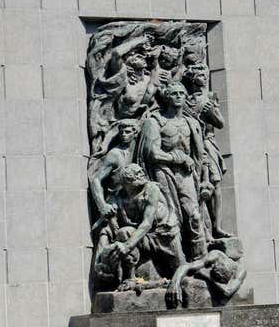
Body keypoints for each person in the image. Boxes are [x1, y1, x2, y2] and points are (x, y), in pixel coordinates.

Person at [137, 81, 210, 260]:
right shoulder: (154, 121)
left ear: (185, 97)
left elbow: (201, 154)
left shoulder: (192, 123)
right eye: (174, 93)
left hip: (187, 175)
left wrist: (205, 178)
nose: (178, 96)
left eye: (181, 93)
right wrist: (176, 157)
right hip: (163, 172)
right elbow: (151, 153)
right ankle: (176, 262)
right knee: (169, 217)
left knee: (194, 215)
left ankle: (201, 259)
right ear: (167, 97)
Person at [94, 164, 185, 288]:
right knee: (124, 232)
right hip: (143, 238)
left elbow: (147, 223)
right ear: (127, 181)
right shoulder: (118, 198)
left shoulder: (151, 189)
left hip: (165, 235)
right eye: (137, 173)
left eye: (141, 171)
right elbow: (107, 229)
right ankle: (130, 279)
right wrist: (99, 260)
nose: (142, 173)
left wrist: (127, 246)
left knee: (182, 272)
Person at [182, 63, 232, 239]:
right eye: (200, 74)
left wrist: (212, 107)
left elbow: (219, 124)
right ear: (193, 78)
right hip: (196, 146)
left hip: (207, 144)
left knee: (214, 184)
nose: (204, 77)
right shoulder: (190, 99)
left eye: (205, 73)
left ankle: (216, 227)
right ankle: (206, 230)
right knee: (201, 187)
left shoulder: (208, 97)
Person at [88, 119, 140, 219]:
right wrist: (102, 205)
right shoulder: (115, 154)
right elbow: (96, 179)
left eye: (128, 132)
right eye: (121, 132)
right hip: (116, 202)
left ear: (135, 133)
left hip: (135, 201)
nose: (124, 135)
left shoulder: (139, 152)